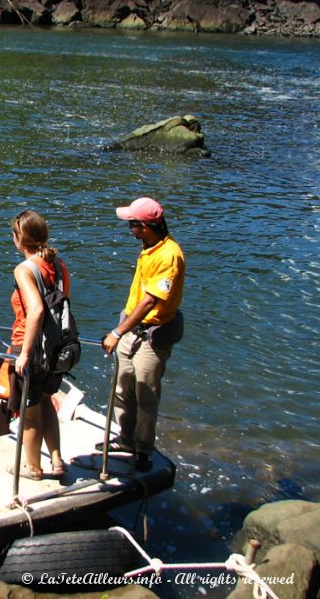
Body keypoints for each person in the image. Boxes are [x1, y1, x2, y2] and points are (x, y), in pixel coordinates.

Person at [101, 197, 185, 472]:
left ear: (147, 226)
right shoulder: (149, 247)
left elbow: (151, 301)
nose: (130, 229)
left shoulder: (168, 255)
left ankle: (144, 450)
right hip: (131, 331)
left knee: (146, 394)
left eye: (132, 225)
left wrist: (116, 332)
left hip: (151, 336)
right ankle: (126, 439)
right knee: (123, 388)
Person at [8, 210, 68, 480]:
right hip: (56, 348)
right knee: (46, 401)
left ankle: (32, 468)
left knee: (29, 413)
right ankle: (56, 460)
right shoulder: (59, 265)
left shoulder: (24, 269)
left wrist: (24, 353)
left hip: (30, 347)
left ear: (19, 238)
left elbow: (36, 311)